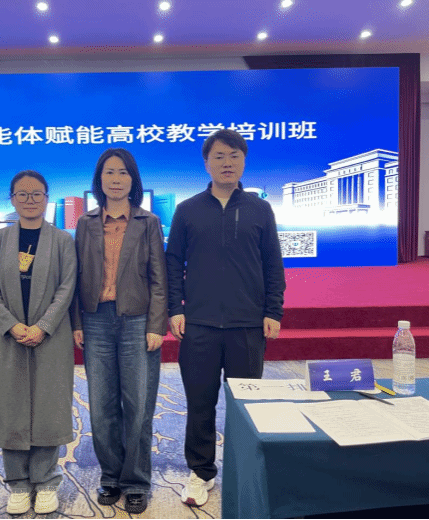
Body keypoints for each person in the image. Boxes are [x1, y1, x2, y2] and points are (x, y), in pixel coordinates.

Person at [166, 129, 286, 507]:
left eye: (234, 155)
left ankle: (243, 467)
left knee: (244, 405)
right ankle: (201, 472)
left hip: (247, 325)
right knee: (200, 404)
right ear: (207, 163)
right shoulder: (188, 210)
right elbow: (173, 263)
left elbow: (273, 264)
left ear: (244, 161)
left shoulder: (259, 209)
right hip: (199, 324)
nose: (227, 162)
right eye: (219, 156)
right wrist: (175, 308)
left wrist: (273, 310)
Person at [71, 148, 167, 515]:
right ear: (99, 180)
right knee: (101, 407)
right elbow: (76, 276)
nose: (116, 179)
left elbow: (159, 279)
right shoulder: (85, 223)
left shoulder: (148, 222)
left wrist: (156, 325)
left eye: (123, 172)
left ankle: (136, 482)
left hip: (137, 321)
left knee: (138, 407)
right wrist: (77, 323)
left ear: (133, 180)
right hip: (95, 320)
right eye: (109, 172)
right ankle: (111, 476)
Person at [0, 170, 77, 516]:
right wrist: (12, 325)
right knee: (10, 407)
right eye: (22, 194)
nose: (30, 200)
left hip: (51, 336)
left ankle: (46, 480)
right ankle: (18, 484)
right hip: (8, 336)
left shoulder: (63, 240)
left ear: (47, 198)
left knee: (49, 406)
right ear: (12, 199)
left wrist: (43, 326)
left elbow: (67, 287)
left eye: (37, 194)